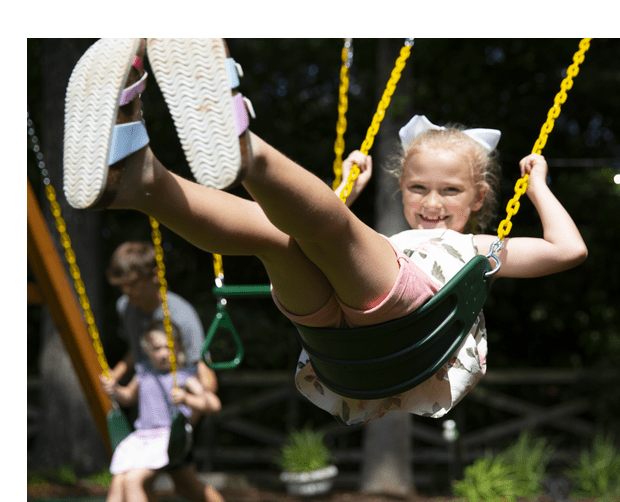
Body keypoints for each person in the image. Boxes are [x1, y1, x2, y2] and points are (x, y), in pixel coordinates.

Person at [65, 38, 587, 427]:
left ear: (479, 200)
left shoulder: (478, 248)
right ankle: (141, 182)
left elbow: (568, 250)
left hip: (413, 331)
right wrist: (349, 193)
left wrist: (537, 185)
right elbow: (317, 230)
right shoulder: (387, 244)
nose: (431, 204)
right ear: (401, 189)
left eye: (450, 192)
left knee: (336, 231)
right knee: (274, 236)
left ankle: (244, 147)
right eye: (417, 188)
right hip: (335, 349)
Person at [104, 240, 225, 502]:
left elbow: (201, 364)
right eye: (122, 285)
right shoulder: (126, 308)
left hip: (176, 415)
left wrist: (192, 414)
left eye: (134, 284)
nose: (127, 292)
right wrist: (116, 375)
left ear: (155, 277)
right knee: (150, 481)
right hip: (150, 409)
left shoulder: (181, 315)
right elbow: (136, 350)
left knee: (186, 485)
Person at [101, 321, 224, 502]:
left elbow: (214, 404)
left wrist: (186, 398)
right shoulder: (144, 373)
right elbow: (128, 397)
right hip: (142, 438)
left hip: (168, 438)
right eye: (157, 348)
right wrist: (114, 389)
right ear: (147, 351)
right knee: (119, 480)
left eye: (168, 348)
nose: (163, 354)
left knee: (134, 480)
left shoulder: (183, 376)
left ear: (178, 348)